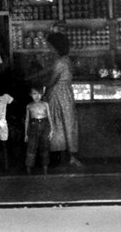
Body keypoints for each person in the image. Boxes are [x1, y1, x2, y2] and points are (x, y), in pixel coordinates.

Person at [43, 32, 82, 168]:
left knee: (56, 123)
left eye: (50, 46)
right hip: (67, 95)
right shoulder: (66, 60)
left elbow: (51, 81)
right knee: (68, 123)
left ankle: (58, 155)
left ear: (55, 47)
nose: (49, 49)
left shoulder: (59, 62)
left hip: (57, 94)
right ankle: (71, 155)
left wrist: (44, 93)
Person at [24, 85, 52, 175]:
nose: (37, 96)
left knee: (44, 147)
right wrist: (26, 134)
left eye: (39, 94)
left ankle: (45, 170)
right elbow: (27, 120)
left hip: (44, 125)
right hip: (33, 126)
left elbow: (49, 117)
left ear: (42, 94)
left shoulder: (45, 104)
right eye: (34, 94)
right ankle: (29, 170)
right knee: (31, 147)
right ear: (30, 94)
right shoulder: (29, 106)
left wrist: (52, 130)